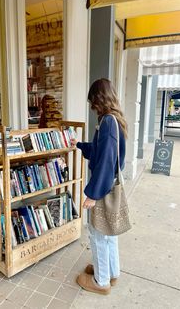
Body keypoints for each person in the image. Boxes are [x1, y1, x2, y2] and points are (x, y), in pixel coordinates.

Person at [72, 78, 128, 295]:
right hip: (110, 185)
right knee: (108, 233)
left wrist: (93, 194)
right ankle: (111, 273)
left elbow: (104, 160)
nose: (92, 106)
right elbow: (102, 152)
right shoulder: (116, 120)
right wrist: (78, 145)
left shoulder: (107, 122)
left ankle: (100, 280)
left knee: (97, 235)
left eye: (93, 101)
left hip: (103, 188)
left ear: (99, 99)